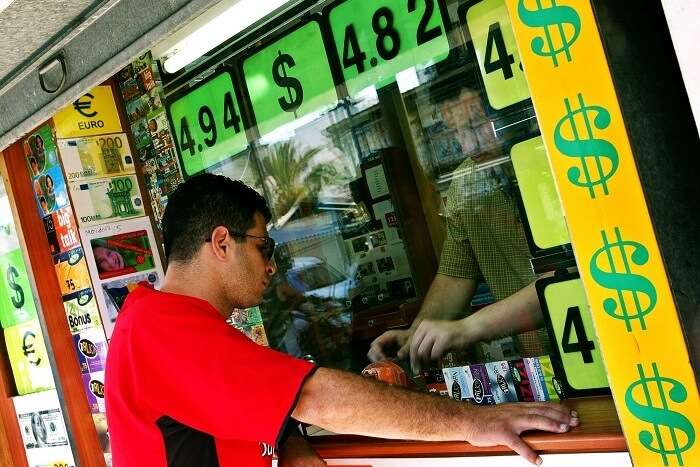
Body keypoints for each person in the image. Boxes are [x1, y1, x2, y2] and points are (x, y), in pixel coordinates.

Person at [105, 174, 578, 467]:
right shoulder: (161, 330)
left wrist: (289, 441)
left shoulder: (159, 323)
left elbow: (245, 410)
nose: (272, 266)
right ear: (222, 242)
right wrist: (471, 421)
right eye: (265, 247)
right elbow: (314, 397)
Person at [369, 89, 550, 372]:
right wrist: (415, 334)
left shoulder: (547, 163)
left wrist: (467, 328)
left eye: (477, 126)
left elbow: (565, 279)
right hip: (542, 364)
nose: (469, 146)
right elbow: (455, 275)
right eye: (457, 131)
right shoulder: (466, 183)